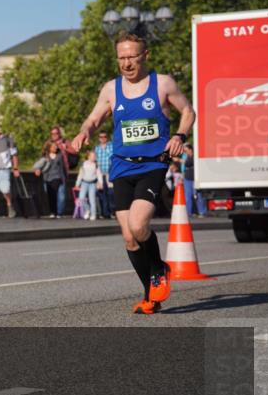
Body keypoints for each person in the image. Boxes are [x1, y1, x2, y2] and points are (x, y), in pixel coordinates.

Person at [72, 31, 195, 314]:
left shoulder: (162, 83)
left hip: (152, 164)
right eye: (122, 57)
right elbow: (94, 118)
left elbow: (188, 112)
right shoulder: (111, 89)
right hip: (121, 166)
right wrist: (84, 132)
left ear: (145, 56)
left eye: (132, 57)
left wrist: (179, 136)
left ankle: (158, 269)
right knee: (129, 237)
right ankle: (151, 295)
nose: (126, 63)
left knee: (139, 226)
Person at [48, 126, 78, 216]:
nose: (54, 135)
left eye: (56, 133)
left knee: (61, 194)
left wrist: (65, 148)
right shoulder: (49, 143)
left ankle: (59, 213)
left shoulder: (65, 142)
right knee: (51, 193)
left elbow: (75, 151)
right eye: (52, 133)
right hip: (50, 172)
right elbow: (44, 153)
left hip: (62, 171)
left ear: (59, 134)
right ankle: (53, 212)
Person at [33, 141, 66, 218]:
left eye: (56, 146)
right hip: (48, 179)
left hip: (58, 177)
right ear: (49, 148)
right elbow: (38, 165)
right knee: (51, 196)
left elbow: (62, 168)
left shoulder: (59, 156)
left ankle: (59, 212)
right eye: (53, 146)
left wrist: (63, 178)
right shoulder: (45, 156)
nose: (56, 148)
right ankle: (53, 212)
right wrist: (37, 170)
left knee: (60, 196)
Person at [75, 150, 100, 221]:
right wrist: (77, 184)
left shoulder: (96, 164)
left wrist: (100, 183)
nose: (94, 157)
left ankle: (93, 214)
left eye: (95, 156)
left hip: (92, 183)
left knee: (92, 199)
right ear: (88, 156)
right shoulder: (84, 164)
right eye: (92, 156)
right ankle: (87, 209)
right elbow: (80, 174)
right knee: (81, 198)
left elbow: (99, 174)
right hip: (84, 183)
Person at [94, 131, 114, 218]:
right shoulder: (97, 148)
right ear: (99, 138)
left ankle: (113, 211)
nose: (103, 138)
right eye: (101, 137)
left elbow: (113, 157)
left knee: (111, 193)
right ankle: (105, 213)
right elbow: (96, 161)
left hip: (110, 173)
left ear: (107, 137)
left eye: (104, 136)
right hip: (100, 174)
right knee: (102, 194)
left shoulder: (111, 146)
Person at [180, 144, 203, 217]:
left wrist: (179, 160)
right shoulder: (185, 156)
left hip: (195, 179)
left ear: (190, 149)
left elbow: (188, 163)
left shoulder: (195, 156)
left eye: (186, 150)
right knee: (187, 197)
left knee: (198, 196)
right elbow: (183, 167)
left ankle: (202, 212)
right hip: (187, 178)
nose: (185, 152)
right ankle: (188, 213)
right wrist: (182, 177)